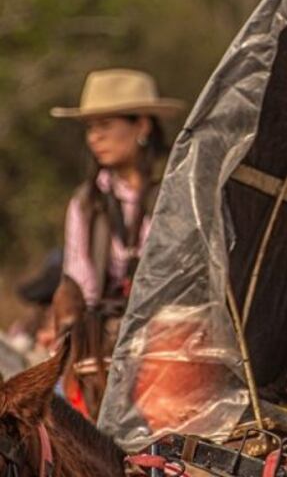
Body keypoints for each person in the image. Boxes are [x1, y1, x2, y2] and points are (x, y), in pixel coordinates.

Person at [48, 68, 184, 417]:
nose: (95, 137)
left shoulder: (177, 191)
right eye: (91, 128)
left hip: (167, 326)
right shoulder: (86, 202)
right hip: (104, 333)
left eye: (105, 126)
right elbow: (81, 284)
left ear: (141, 126)